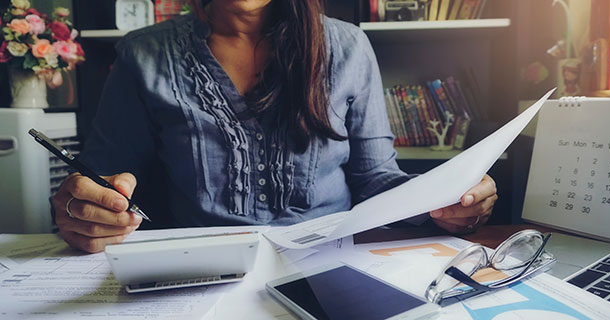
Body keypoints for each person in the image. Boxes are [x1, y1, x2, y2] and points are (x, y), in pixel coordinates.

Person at [52, 0, 498, 253]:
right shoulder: (142, 55)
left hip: (331, 260)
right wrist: (84, 210)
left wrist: (448, 201)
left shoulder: (348, 47)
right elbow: (98, 180)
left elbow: (376, 180)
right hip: (197, 271)